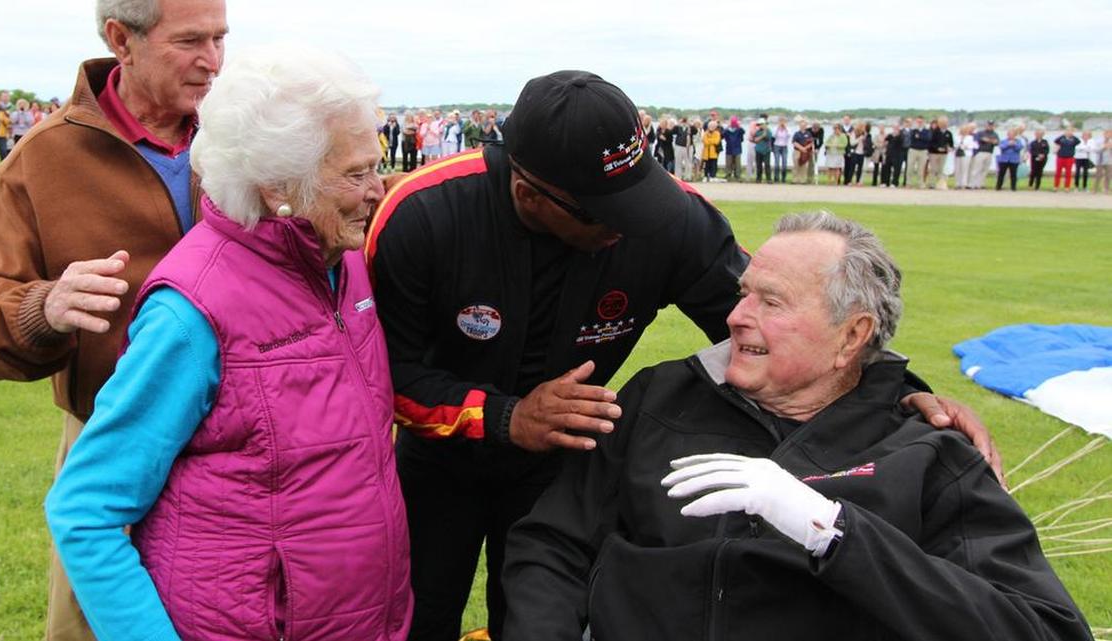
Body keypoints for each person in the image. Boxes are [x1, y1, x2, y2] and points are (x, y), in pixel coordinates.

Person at [365, 71, 997, 641]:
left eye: (638, 193)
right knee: (419, 613)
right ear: (531, 196)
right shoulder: (422, 215)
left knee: (530, 601)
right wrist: (504, 418)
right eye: (607, 213)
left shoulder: (667, 219)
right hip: (440, 456)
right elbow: (379, 378)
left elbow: (777, 331)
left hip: (568, 458)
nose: (630, 222)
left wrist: (904, 389)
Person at [503, 212, 1090, 641]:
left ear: (852, 337)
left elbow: (1044, 629)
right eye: (743, 294)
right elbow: (552, 543)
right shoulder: (660, 398)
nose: (735, 317)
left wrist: (834, 532)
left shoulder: (926, 456)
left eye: (772, 303)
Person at [45, 47, 412, 641]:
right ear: (276, 188)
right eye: (355, 173)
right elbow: (85, 510)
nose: (378, 188)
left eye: (376, 165)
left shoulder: (343, 262)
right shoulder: (190, 311)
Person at [0, 1, 228, 639]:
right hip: (114, 441)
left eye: (222, 38)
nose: (214, 60)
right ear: (122, 39)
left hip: (240, 440)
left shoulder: (240, 131)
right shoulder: (39, 159)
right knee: (95, 621)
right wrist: (44, 308)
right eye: (191, 41)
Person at [970, 121, 999, 189]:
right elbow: (977, 139)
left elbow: (997, 142)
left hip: (989, 152)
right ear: (986, 126)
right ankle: (972, 184)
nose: (990, 127)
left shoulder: (995, 134)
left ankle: (981, 184)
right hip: (980, 152)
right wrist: (989, 140)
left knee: (985, 170)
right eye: (989, 125)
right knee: (977, 169)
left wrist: (989, 140)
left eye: (991, 125)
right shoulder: (981, 133)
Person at [927, 116, 954, 189]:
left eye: (945, 123)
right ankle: (931, 184)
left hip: (944, 154)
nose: (944, 124)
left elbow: (951, 144)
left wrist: (949, 148)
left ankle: (939, 184)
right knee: (933, 169)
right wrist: (937, 148)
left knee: (941, 169)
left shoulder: (949, 133)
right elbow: (930, 143)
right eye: (942, 123)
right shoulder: (934, 132)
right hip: (934, 153)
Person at [1053, 126, 1081, 191]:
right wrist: (1064, 135)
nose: (1068, 132)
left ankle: (1067, 187)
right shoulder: (1061, 139)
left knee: (1068, 173)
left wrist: (1072, 135)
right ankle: (1056, 186)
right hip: (1060, 157)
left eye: (1070, 131)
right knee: (1058, 172)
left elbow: (1078, 141)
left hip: (1069, 158)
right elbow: (1055, 140)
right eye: (1067, 131)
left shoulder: (1073, 140)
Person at [906, 115, 930, 188]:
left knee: (921, 168)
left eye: (921, 122)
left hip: (923, 151)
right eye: (918, 122)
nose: (919, 123)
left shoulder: (927, 131)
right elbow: (913, 138)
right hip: (913, 150)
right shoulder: (913, 131)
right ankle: (908, 183)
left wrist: (919, 136)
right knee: (910, 167)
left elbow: (927, 138)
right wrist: (920, 137)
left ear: (923, 122)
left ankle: (920, 183)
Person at [881, 123, 906, 187]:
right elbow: (885, 141)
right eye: (894, 127)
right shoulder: (890, 135)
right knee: (887, 168)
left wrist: (896, 135)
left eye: (896, 127)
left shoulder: (901, 135)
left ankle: (894, 183)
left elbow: (901, 142)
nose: (895, 128)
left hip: (897, 155)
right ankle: (886, 182)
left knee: (896, 169)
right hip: (889, 154)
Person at [791, 119, 814, 185]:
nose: (803, 126)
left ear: (806, 126)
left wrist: (805, 148)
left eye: (804, 125)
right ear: (799, 126)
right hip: (797, 151)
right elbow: (794, 142)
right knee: (796, 165)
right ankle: (795, 180)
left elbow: (811, 143)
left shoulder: (809, 134)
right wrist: (801, 148)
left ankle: (803, 180)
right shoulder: (796, 133)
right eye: (801, 125)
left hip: (805, 152)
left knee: (804, 166)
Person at [954, 123, 977, 189]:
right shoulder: (957, 137)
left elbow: (972, 146)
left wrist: (965, 146)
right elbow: (955, 145)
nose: (963, 131)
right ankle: (957, 183)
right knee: (958, 169)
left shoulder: (970, 137)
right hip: (958, 153)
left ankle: (964, 183)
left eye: (965, 130)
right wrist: (959, 145)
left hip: (966, 154)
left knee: (965, 169)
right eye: (962, 129)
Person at [721, 116, 744, 181]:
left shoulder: (739, 130)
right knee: (728, 163)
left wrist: (738, 126)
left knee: (737, 163)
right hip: (729, 148)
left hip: (737, 149)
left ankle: (737, 175)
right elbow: (722, 134)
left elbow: (743, 132)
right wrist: (727, 127)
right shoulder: (727, 130)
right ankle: (728, 174)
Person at [751, 117, 772, 183]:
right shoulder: (757, 132)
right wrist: (762, 136)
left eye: (761, 124)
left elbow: (768, 138)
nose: (760, 126)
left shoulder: (769, 131)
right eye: (759, 124)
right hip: (758, 150)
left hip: (766, 150)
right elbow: (755, 140)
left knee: (767, 165)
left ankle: (769, 179)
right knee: (758, 165)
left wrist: (764, 133)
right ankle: (758, 178)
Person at [771, 116, 790, 183]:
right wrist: (778, 128)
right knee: (777, 163)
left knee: (784, 163)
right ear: (778, 121)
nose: (782, 122)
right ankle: (776, 178)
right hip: (777, 146)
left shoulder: (787, 128)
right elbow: (774, 136)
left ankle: (783, 178)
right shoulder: (775, 128)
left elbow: (789, 135)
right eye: (780, 121)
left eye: (783, 121)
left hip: (784, 146)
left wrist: (785, 128)